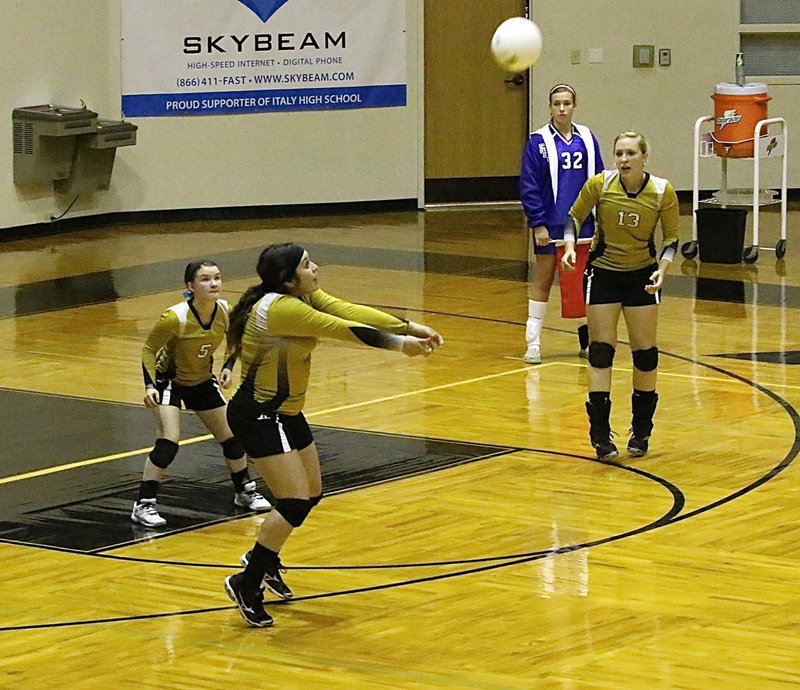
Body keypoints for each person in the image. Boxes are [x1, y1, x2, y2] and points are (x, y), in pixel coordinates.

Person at [223, 243, 443, 627]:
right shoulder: (283, 308)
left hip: (286, 413)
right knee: (292, 502)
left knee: (311, 493)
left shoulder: (301, 296)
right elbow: (344, 330)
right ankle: (247, 580)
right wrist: (400, 345)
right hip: (258, 416)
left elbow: (347, 310)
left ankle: (264, 557)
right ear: (288, 279)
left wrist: (407, 326)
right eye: (308, 265)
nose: (316, 268)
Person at [561, 131, 680, 460]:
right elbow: (574, 216)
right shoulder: (601, 185)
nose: (624, 159)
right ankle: (600, 432)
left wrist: (665, 267)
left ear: (644, 157)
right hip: (604, 274)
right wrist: (570, 245)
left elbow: (672, 237)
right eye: (619, 153)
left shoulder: (661, 191)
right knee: (601, 351)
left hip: (643, 275)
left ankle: (641, 430)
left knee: (645, 354)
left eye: (630, 153)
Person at [131, 261, 271, 528]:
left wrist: (228, 366)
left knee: (232, 437)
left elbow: (235, 341)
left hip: (202, 381)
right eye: (205, 279)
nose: (214, 283)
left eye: (217, 278)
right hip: (169, 382)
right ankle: (144, 504)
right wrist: (149, 385)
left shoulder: (225, 311)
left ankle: (244, 490)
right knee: (169, 442)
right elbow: (149, 350)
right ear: (191, 287)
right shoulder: (175, 317)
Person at [520, 83, 604, 364]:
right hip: (551, 226)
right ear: (550, 107)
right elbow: (529, 185)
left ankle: (587, 339)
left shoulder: (588, 139)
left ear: (574, 106)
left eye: (567, 103)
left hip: (583, 226)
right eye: (557, 104)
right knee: (543, 281)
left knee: (582, 283)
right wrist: (537, 224)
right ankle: (534, 342)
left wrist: (601, 223)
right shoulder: (538, 142)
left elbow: (600, 182)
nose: (562, 109)